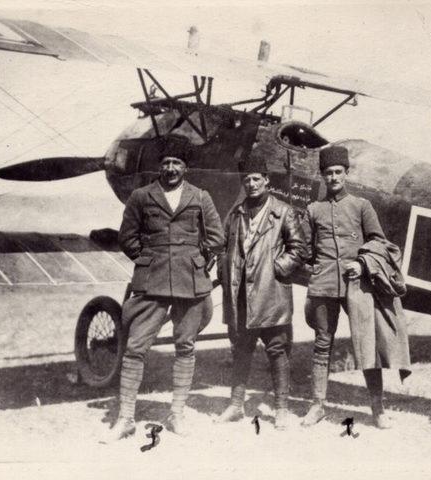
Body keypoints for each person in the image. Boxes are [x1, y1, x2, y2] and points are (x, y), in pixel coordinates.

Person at [101, 152, 224, 442]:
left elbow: (216, 237)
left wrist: (195, 260)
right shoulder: (141, 196)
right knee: (135, 347)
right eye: (166, 162)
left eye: (177, 163)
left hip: (189, 281)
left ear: (186, 167)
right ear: (159, 166)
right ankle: (125, 419)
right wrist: (147, 259)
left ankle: (176, 414)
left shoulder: (200, 196)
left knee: (185, 346)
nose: (171, 168)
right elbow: (127, 238)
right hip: (151, 280)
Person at [301, 145, 405, 429]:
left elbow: (379, 243)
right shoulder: (313, 210)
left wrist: (361, 264)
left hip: (356, 286)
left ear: (346, 174)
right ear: (322, 176)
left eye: (338, 172)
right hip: (323, 286)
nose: (333, 177)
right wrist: (309, 267)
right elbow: (306, 250)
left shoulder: (362, 206)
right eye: (328, 173)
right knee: (322, 345)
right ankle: (317, 406)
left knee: (367, 345)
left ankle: (378, 408)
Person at [215, 157, 305, 430]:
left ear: (267, 180)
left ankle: (281, 410)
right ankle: (235, 405)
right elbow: (223, 247)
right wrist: (223, 269)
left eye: (256, 179)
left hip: (271, 295)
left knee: (277, 350)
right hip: (240, 295)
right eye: (247, 180)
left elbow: (299, 249)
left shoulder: (284, 212)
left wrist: (277, 268)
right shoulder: (236, 213)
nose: (251, 184)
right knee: (241, 349)